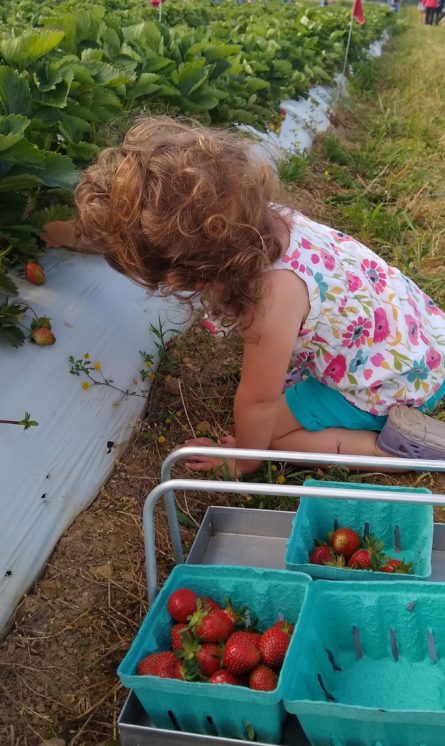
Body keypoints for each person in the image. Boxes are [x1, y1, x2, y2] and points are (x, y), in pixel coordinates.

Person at [42, 117, 445, 477]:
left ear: (192, 275)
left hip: (390, 382)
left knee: (276, 439)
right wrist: (58, 232)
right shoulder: (252, 220)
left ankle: (393, 449)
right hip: (419, 338)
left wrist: (246, 459)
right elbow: (146, 228)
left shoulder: (269, 301)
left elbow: (257, 401)